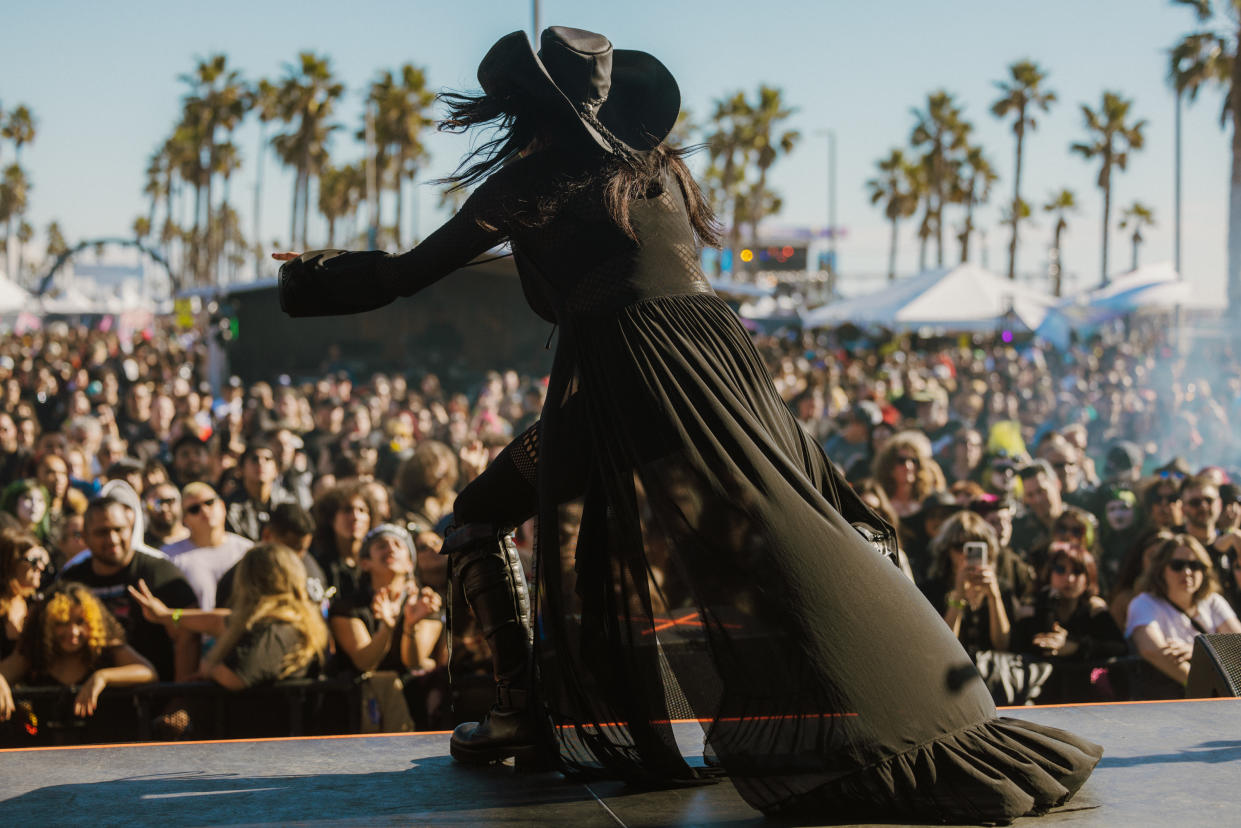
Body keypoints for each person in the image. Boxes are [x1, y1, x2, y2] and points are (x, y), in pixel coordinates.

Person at [275, 26, 1099, 821]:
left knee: (479, 516)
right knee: (795, 520)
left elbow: (406, 274)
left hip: (623, 381)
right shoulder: (657, 173)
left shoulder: (529, 186)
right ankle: (909, 691)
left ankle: (516, 714)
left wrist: (309, 276)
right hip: (721, 369)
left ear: (529, 105)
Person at [57, 495, 199, 682]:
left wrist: (180, 701)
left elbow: (188, 632)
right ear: (85, 537)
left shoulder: (159, 571)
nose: (113, 539)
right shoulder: (72, 578)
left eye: (119, 529)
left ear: (131, 529)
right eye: (102, 532)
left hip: (152, 699)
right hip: (86, 699)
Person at [0, 582, 158, 725]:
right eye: (62, 623)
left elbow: (148, 672)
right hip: (47, 752)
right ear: (46, 626)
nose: (73, 632)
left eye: (80, 622)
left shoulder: (107, 648)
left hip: (107, 752)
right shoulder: (34, 653)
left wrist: (103, 677)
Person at [1125, 534, 1241, 697]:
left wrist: (1197, 651)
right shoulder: (1144, 603)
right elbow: (1153, 650)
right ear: (1160, 569)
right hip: (1165, 705)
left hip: (1218, 702)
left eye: (1194, 565)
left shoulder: (1213, 601)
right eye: (1177, 565)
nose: (1187, 572)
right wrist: (1209, 689)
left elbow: (1238, 646)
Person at [1013, 544, 1125, 704]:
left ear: (1088, 578)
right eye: (1060, 570)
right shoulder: (1032, 607)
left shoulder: (1094, 608)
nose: (1068, 578)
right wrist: (1048, 606)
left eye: (1077, 572)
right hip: (1037, 698)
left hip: (1085, 698)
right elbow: (1032, 646)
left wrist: (1076, 647)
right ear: (1049, 573)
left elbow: (1119, 647)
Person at [161, 483, 251, 611]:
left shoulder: (248, 551)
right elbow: (170, 613)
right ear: (184, 520)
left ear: (222, 506)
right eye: (194, 509)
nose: (204, 510)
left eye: (209, 502)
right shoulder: (169, 557)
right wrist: (177, 620)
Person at [0, 530, 49, 660]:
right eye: (33, 560)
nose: (40, 567)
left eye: (41, 560)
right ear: (10, 563)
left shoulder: (35, 603)